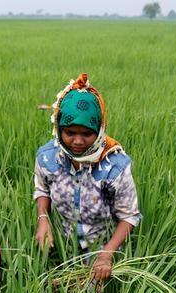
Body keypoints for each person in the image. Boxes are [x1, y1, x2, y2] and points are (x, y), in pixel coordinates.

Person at [33, 73, 141, 280]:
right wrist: (43, 219)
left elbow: (129, 215)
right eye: (70, 133)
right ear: (59, 129)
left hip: (103, 245)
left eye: (87, 133)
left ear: (99, 129)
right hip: (62, 245)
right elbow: (42, 188)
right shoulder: (48, 158)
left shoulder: (114, 166)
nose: (78, 141)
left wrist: (107, 254)